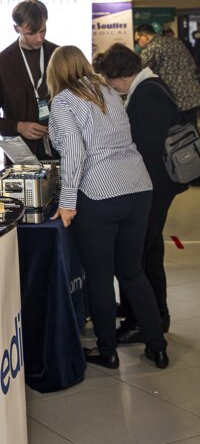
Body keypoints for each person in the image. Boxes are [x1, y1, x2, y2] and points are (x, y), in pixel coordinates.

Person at [47, 45, 168, 370]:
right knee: (132, 271)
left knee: (100, 278)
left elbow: (74, 152)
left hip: (100, 194)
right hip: (138, 187)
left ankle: (107, 351)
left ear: (55, 72)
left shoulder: (63, 100)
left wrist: (67, 202)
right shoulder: (108, 91)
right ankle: (157, 346)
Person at [93, 44, 187, 341]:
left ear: (121, 75)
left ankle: (144, 320)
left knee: (139, 257)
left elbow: (145, 148)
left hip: (153, 186)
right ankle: (155, 315)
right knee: (149, 251)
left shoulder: (147, 94)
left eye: (110, 81)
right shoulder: (150, 86)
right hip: (156, 185)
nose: (111, 88)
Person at [0, 0, 59, 160]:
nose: (39, 38)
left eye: (43, 31)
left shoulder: (59, 55)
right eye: (31, 33)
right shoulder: (0, 64)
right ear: (16, 28)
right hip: (21, 156)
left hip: (60, 150)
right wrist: (18, 126)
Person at [135, 23, 200, 123]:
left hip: (174, 99)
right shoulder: (176, 41)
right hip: (192, 96)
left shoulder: (151, 48)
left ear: (145, 36)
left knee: (178, 131)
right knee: (192, 129)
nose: (138, 44)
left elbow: (140, 72)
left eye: (137, 40)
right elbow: (192, 65)